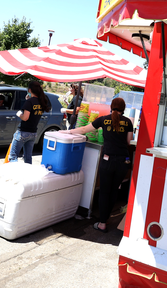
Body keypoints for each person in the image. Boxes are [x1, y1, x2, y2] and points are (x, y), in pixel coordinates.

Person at [61, 97, 133, 233]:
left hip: (107, 161)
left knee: (105, 192)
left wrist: (68, 131)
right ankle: (105, 219)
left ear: (111, 107)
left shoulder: (103, 119)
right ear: (123, 109)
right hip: (123, 162)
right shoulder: (128, 122)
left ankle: (102, 222)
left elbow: (83, 130)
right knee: (113, 191)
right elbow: (129, 142)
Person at [8, 81, 51, 164]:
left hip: (23, 132)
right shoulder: (41, 101)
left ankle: (13, 175)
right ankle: (28, 175)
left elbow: (25, 117)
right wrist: (28, 100)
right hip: (33, 133)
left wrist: (19, 114)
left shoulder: (29, 102)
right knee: (28, 157)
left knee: (13, 156)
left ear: (30, 90)